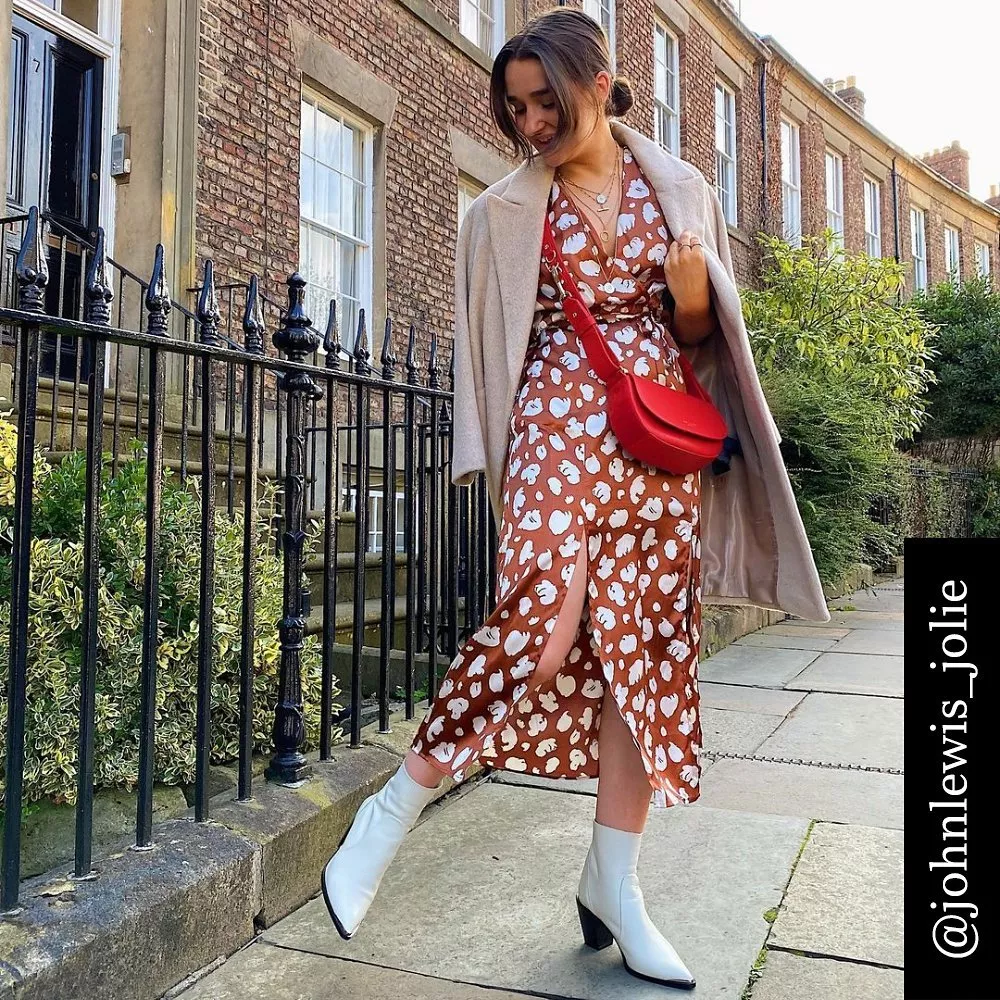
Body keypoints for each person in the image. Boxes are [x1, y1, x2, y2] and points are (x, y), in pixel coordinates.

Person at [322, 6, 829, 990]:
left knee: (642, 656)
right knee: (541, 626)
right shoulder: (499, 211)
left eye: (543, 100)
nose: (529, 123)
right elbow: (484, 347)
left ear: (596, 82)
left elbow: (700, 340)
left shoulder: (678, 185)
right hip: (555, 419)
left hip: (658, 437)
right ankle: (393, 808)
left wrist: (688, 293)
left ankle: (615, 882)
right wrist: (486, 456)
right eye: (513, 108)